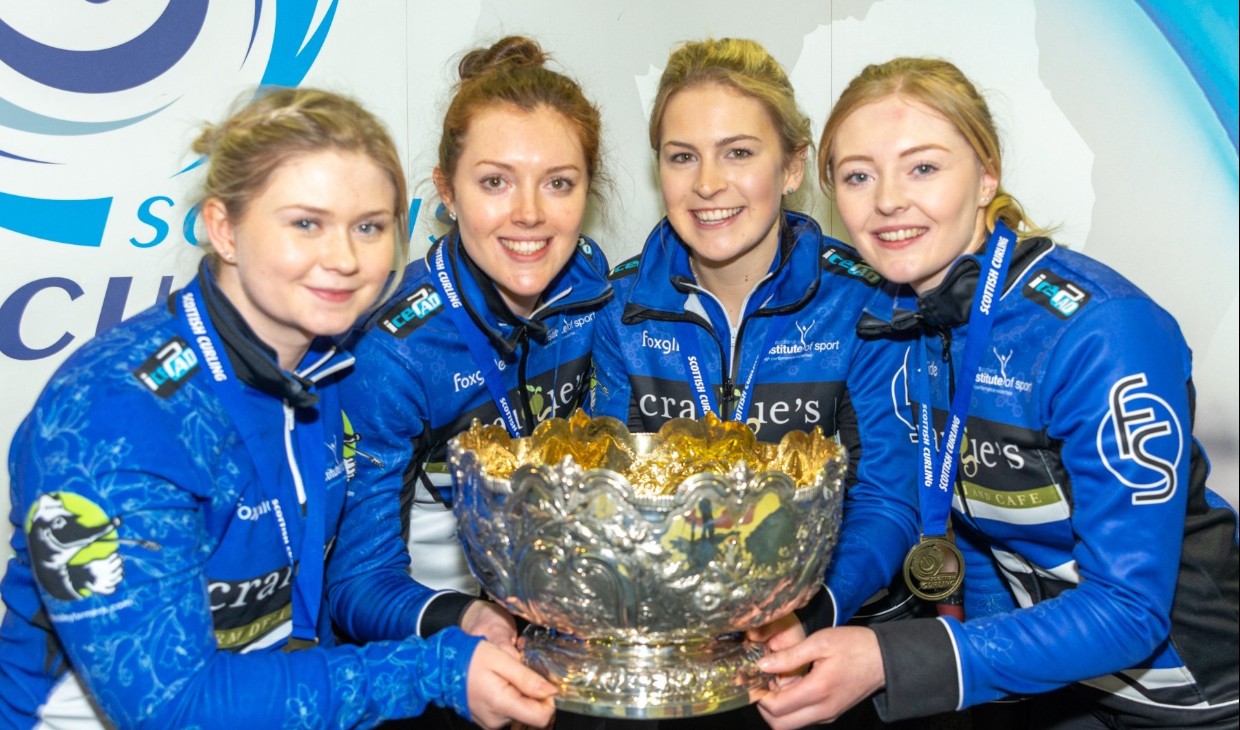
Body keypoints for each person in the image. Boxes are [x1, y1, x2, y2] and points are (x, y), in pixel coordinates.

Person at [0, 87, 556, 730]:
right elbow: (170, 706)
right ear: (224, 228)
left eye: (369, 226)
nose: (345, 259)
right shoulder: (116, 415)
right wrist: (432, 669)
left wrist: (459, 620)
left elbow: (334, 591)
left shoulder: (332, 364)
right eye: (305, 223)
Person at [756, 56, 1240, 729]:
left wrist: (899, 661)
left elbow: (1131, 610)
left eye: (923, 167)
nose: (889, 199)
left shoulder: (1098, 330)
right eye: (859, 175)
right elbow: (976, 544)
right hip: (1053, 688)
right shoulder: (916, 318)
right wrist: (816, 613)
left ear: (986, 176)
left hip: (1200, 697)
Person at [588, 38, 925, 729]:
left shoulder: (865, 303)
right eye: (683, 157)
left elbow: (890, 499)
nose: (707, 183)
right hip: (675, 653)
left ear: (793, 166)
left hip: (832, 637)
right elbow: (610, 509)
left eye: (739, 153)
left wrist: (810, 610)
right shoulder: (619, 309)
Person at [338, 36, 611, 727]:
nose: (528, 214)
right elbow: (354, 583)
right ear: (446, 191)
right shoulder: (396, 348)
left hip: (563, 624)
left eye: (558, 182)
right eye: (495, 182)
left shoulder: (593, 287)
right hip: (428, 638)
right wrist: (465, 617)